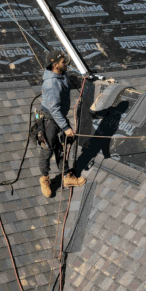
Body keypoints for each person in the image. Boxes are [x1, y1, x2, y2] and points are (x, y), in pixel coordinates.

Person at [38, 49, 87, 198]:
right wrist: (65, 127)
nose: (65, 63)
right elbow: (53, 109)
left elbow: (67, 71)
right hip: (50, 120)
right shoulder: (51, 83)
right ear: (54, 65)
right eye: (62, 62)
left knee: (61, 147)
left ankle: (67, 177)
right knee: (48, 149)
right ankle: (45, 179)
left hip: (58, 117)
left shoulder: (61, 72)